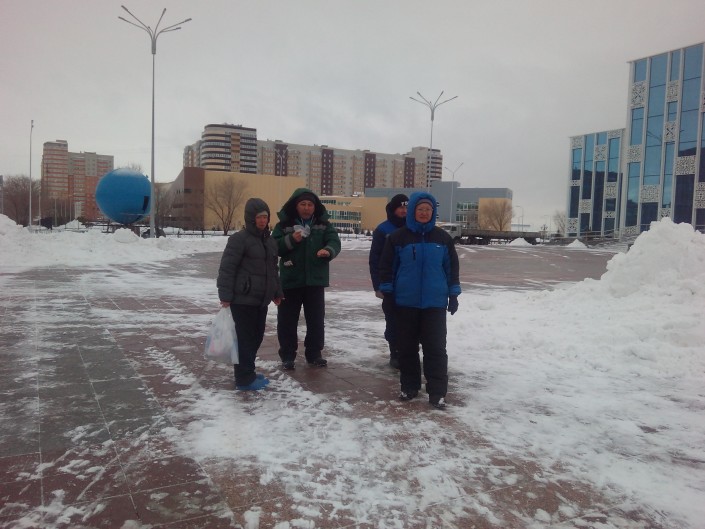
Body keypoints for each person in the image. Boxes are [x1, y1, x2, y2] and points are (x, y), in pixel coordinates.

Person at [378, 191, 461, 409]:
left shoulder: (443, 239)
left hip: (435, 303)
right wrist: (388, 293)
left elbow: (451, 268)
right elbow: (386, 268)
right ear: (413, 211)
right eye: (420, 209)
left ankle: (437, 392)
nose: (424, 213)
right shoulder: (398, 238)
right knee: (407, 348)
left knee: (436, 349)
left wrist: (453, 294)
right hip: (405, 302)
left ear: (433, 212)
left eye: (428, 209)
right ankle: (409, 386)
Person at [217, 198, 283, 390]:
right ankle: (244, 379)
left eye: (265, 217)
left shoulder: (270, 241)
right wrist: (225, 295)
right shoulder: (239, 239)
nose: (263, 220)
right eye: (259, 217)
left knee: (256, 337)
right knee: (245, 339)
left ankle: (249, 372)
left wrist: (277, 292)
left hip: (261, 300)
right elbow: (227, 268)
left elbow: (273, 270)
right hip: (243, 299)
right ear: (250, 218)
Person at [273, 188, 341, 370]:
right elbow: (274, 247)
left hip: (315, 281)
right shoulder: (284, 225)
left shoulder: (323, 224)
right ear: (295, 206)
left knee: (316, 320)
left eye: (310, 204)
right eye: (302, 204)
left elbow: (334, 242)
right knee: (287, 321)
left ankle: (314, 354)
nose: (306, 207)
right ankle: (287, 355)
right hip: (290, 280)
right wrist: (291, 239)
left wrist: (328, 251)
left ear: (315, 207)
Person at [368, 193, 408, 369]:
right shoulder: (383, 230)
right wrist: (378, 286)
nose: (404, 211)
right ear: (393, 209)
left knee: (410, 321)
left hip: (409, 284)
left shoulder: (413, 228)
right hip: (390, 284)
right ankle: (395, 353)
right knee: (393, 320)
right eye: (400, 207)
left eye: (406, 207)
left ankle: (408, 352)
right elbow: (375, 259)